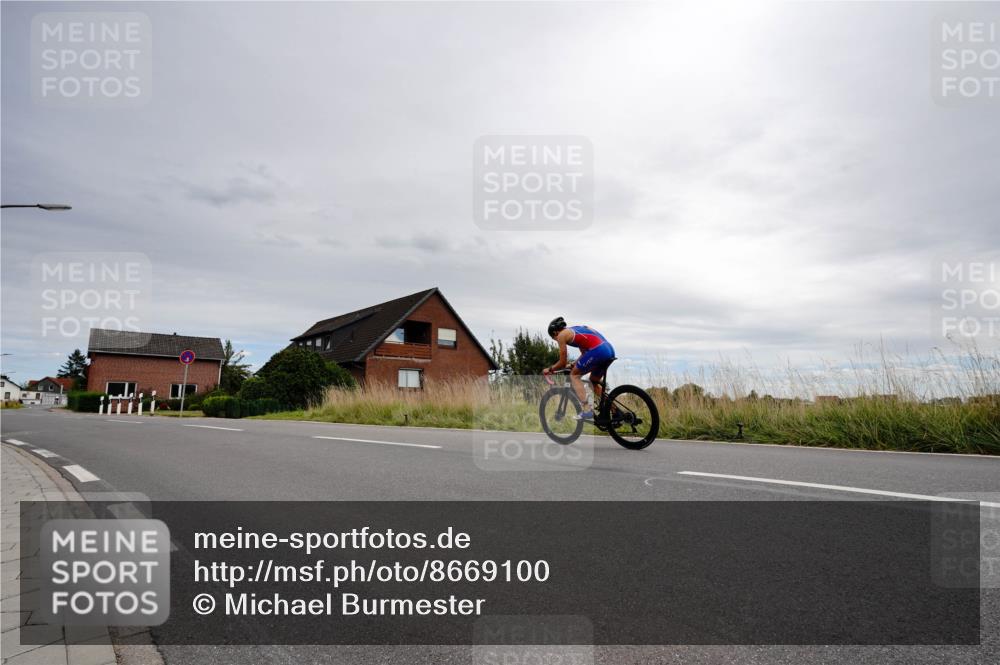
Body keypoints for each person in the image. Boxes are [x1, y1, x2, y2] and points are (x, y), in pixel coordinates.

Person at [543, 317, 615, 421]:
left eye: (553, 338)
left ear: (555, 332)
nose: (556, 340)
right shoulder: (575, 330)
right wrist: (573, 365)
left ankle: (587, 411)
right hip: (608, 349)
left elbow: (562, 362)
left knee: (574, 375)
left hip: (598, 350)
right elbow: (584, 354)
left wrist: (550, 369)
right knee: (593, 382)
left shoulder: (561, 335)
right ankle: (615, 411)